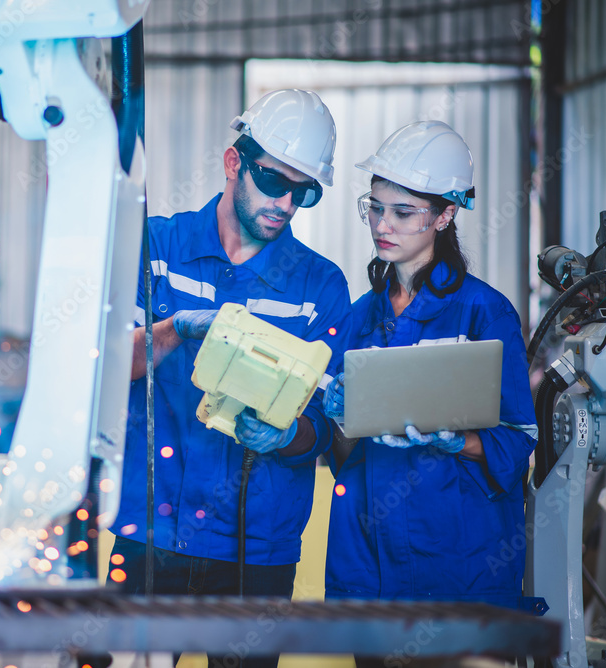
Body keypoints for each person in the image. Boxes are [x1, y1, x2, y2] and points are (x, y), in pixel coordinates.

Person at [109, 89, 353, 668]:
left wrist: (285, 436)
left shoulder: (318, 286)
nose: (287, 204)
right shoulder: (157, 249)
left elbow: (324, 427)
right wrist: (171, 331)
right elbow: (106, 367)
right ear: (233, 163)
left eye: (305, 192)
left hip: (257, 547)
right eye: (275, 182)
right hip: (152, 531)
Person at [322, 121, 537, 662]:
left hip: (457, 559)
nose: (382, 224)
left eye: (403, 211)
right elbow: (337, 451)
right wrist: (336, 420)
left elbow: (519, 437)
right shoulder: (358, 318)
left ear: (446, 215)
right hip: (369, 559)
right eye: (374, 207)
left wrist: (454, 440)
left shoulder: (483, 312)